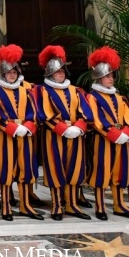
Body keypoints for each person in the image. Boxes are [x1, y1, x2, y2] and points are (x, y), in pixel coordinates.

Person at [36, 45, 93, 221]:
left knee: (74, 169)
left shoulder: (75, 91)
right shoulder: (43, 91)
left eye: (63, 71)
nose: (61, 73)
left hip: (75, 135)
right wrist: (63, 129)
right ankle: (56, 204)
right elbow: (43, 114)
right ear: (50, 73)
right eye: (58, 71)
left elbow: (86, 112)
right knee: (55, 169)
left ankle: (72, 204)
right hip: (54, 135)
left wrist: (78, 127)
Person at [0, 44, 42, 221]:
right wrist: (12, 127)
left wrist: (27, 126)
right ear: (3, 74)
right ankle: (5, 205)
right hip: (5, 136)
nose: (12, 75)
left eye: (14, 72)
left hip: (25, 136)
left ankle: (25, 205)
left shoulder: (26, 92)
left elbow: (33, 113)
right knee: (6, 170)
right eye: (9, 72)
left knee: (26, 170)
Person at [86, 47, 129, 221]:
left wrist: (127, 131)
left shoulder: (119, 98)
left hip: (122, 140)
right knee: (102, 172)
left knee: (121, 172)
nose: (111, 79)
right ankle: (100, 206)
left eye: (112, 76)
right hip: (103, 140)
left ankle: (119, 205)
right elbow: (96, 120)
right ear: (99, 78)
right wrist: (113, 133)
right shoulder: (93, 97)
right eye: (107, 76)